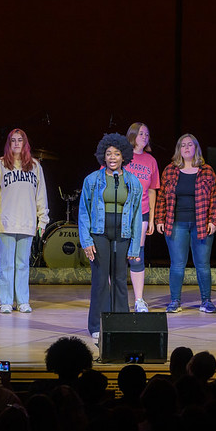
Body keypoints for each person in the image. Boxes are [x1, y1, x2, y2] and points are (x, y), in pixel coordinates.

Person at [79, 133, 143, 341]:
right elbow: (83, 212)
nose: (113, 157)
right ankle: (97, 325)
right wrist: (86, 241)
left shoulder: (133, 182)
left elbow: (135, 216)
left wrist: (134, 248)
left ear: (124, 156)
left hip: (122, 232)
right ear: (103, 157)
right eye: (109, 154)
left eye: (116, 154)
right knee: (100, 279)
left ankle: (121, 322)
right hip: (100, 232)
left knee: (119, 279)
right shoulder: (92, 180)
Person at [0, 129, 49, 314]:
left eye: (20, 140)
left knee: (23, 265)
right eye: (13, 140)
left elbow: (41, 196)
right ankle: (5, 301)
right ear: (8, 143)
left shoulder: (35, 166)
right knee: (6, 264)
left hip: (27, 223)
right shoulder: (0, 165)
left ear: (25, 143)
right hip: (6, 221)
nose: (17, 143)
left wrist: (42, 220)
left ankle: (23, 301)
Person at [155, 133, 216, 313]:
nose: (186, 148)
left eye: (190, 145)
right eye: (183, 145)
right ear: (179, 149)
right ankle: (175, 301)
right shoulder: (169, 170)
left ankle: (206, 301)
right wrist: (159, 219)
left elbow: (215, 197)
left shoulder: (207, 170)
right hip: (176, 224)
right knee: (177, 265)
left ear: (196, 148)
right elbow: (161, 198)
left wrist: (214, 220)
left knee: (203, 265)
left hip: (201, 224)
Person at [123, 122, 160, 313]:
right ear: (132, 135)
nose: (145, 137)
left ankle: (139, 300)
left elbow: (152, 190)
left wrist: (152, 218)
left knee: (137, 256)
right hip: (121, 213)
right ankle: (116, 299)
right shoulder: (122, 156)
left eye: (147, 134)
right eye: (141, 134)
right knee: (118, 255)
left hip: (142, 213)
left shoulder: (151, 161)